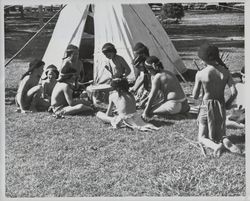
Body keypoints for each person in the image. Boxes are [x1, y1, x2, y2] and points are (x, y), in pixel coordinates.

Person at [193, 43, 242, 157]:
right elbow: (234, 92)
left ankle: (216, 146)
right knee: (220, 132)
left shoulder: (201, 74)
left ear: (203, 59)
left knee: (201, 137)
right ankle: (225, 141)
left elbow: (195, 96)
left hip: (206, 105)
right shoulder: (225, 71)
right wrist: (228, 104)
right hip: (220, 105)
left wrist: (198, 86)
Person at [130, 42, 151, 108]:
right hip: (147, 87)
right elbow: (140, 77)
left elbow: (143, 78)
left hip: (153, 89)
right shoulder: (141, 62)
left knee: (142, 102)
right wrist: (134, 88)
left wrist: (135, 89)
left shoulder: (149, 64)